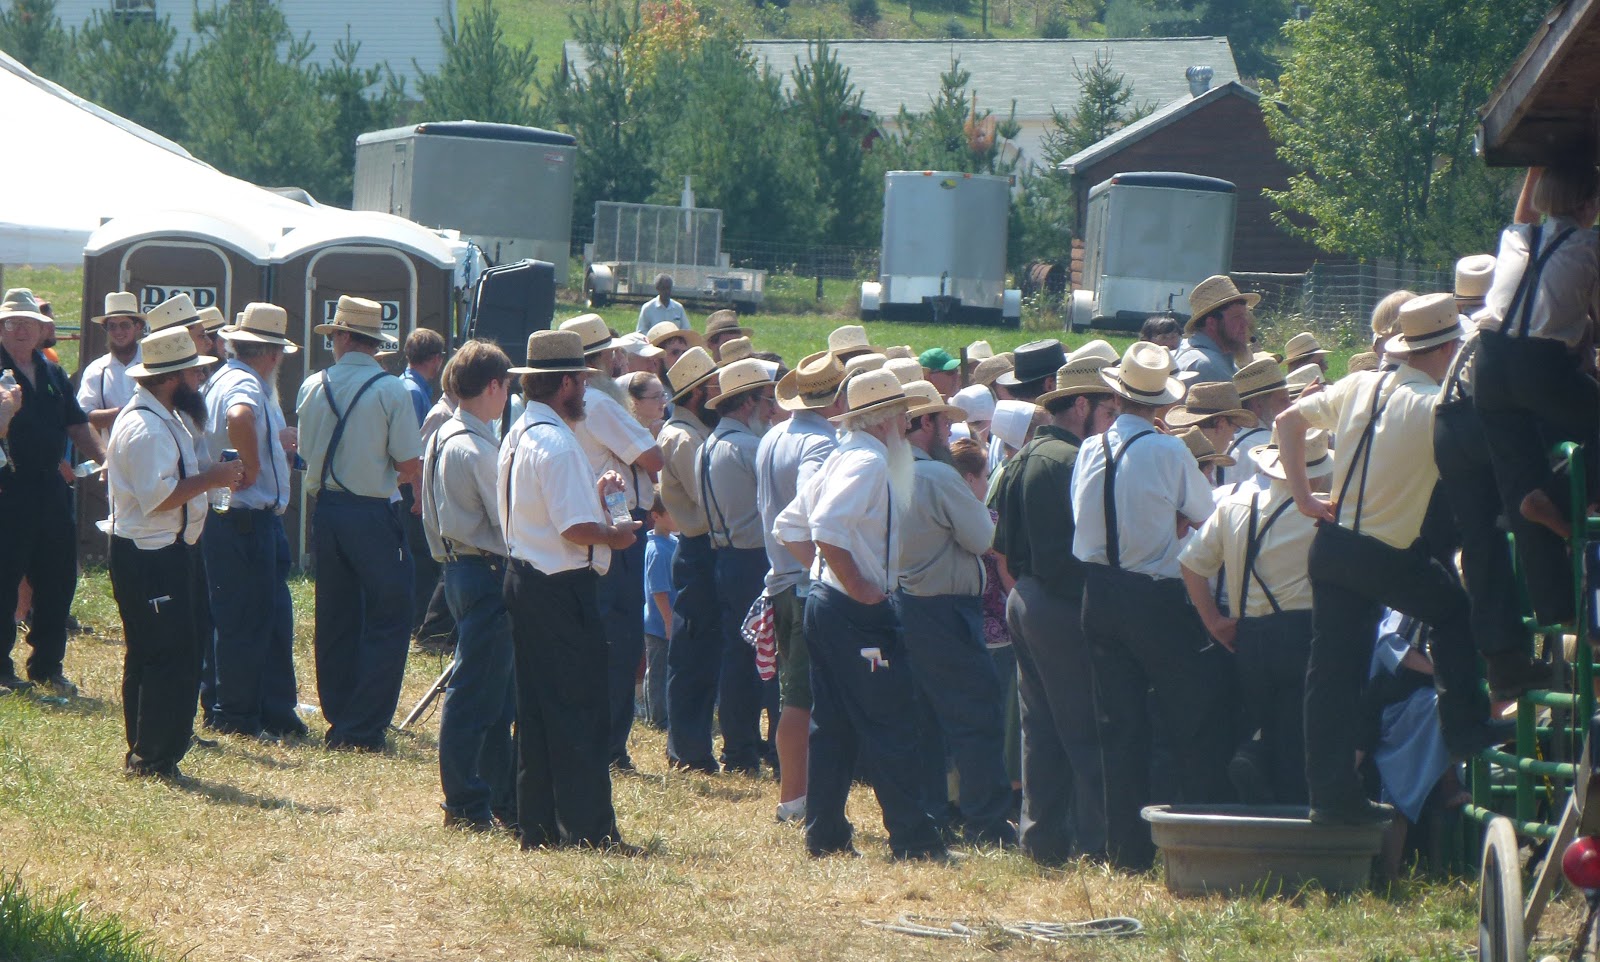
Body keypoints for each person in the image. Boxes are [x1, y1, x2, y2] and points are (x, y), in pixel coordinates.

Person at [1276, 292, 1499, 825]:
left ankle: (1330, 797)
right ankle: (1465, 726)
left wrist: (1305, 496)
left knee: (1329, 675)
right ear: (1448, 350)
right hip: (1384, 555)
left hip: (1330, 548)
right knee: (1453, 612)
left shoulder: (1359, 384)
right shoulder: (1434, 407)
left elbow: (1286, 420)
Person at [1072, 341, 1235, 869]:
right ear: (1161, 404)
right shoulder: (1168, 451)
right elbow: (1207, 516)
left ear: (1118, 396)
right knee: (1190, 718)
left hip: (1098, 593)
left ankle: (1126, 850)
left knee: (1118, 727)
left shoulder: (1090, 448)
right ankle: (1194, 835)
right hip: (1155, 597)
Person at [774, 369, 947, 860]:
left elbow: (789, 526)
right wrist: (860, 587)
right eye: (905, 416)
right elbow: (825, 527)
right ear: (889, 418)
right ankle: (914, 840)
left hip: (828, 606)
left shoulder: (844, 455)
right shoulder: (869, 461)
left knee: (835, 727)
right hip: (852, 611)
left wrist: (828, 575)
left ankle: (825, 834)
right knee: (891, 723)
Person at [498, 329, 640, 851]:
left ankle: (537, 824)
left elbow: (553, 510)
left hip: (528, 580)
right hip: (559, 588)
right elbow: (572, 529)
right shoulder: (556, 443)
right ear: (563, 383)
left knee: (536, 711)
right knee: (579, 710)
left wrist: (597, 499)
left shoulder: (522, 432)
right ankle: (588, 830)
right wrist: (614, 534)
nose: (584, 389)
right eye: (580, 379)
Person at [993, 346, 1119, 863]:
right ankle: (1097, 843)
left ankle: (1042, 841)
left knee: (1040, 729)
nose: (1111, 423)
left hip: (1026, 599)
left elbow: (1001, 546)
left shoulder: (1024, 455)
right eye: (1109, 412)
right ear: (1083, 405)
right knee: (1084, 727)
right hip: (1061, 603)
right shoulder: (1072, 460)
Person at [106, 326, 245, 777]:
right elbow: (158, 497)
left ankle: (157, 748)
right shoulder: (146, 426)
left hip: (170, 552)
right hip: (150, 556)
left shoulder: (167, 417)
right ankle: (150, 754)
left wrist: (211, 473)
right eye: (192, 371)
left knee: (174, 651)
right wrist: (213, 479)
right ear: (170, 378)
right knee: (162, 655)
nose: (200, 379)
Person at [1434, 256, 1567, 696]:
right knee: (1564, 455)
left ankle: (1504, 662)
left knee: (1480, 542)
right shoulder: (1525, 317)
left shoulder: (1467, 331)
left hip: (1448, 424)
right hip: (1487, 417)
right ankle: (1562, 604)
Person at [1180, 428, 1332, 804]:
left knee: (1267, 723)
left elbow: (1191, 565)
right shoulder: (1329, 512)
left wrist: (1214, 621)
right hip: (1304, 633)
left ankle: (1255, 761)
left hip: (1248, 636)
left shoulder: (1236, 506)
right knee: (1300, 737)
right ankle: (1287, 819)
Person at [296, 296, 421, 752]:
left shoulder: (313, 385)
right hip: (372, 511)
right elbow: (408, 461)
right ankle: (364, 725)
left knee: (335, 614)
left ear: (344, 338)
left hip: (326, 510)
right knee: (390, 614)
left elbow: (306, 454)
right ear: (371, 342)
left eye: (333, 336)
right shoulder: (391, 390)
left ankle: (340, 713)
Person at [895, 380, 1015, 846]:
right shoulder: (939, 477)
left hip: (907, 601)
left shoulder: (892, 469)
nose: (948, 431)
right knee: (977, 713)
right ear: (925, 423)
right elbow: (983, 537)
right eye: (942, 421)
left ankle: (933, 810)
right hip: (945, 607)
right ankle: (986, 818)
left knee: (925, 717)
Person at [560, 314, 665, 771]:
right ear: (603, 359)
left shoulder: (549, 407)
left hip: (577, 525)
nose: (621, 358)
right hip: (618, 525)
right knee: (620, 641)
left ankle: (590, 738)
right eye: (614, 352)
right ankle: (611, 748)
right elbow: (652, 457)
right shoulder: (601, 406)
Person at [420, 339, 517, 832]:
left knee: (493, 694)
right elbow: (507, 524)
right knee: (477, 693)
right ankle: (464, 800)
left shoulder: (444, 432)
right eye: (506, 387)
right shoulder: (477, 446)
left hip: (461, 568)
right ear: (494, 386)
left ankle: (497, 797)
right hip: (483, 569)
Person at [1473, 165, 1600, 540]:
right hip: (1541, 369)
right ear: (1588, 204)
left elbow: (1524, 216)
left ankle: (1532, 526)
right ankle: (1553, 498)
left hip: (1489, 366)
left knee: (1517, 475)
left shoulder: (1516, 236)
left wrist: (1536, 167)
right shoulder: (1590, 247)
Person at [201, 303, 307, 740]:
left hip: (238, 521)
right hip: (245, 522)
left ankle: (247, 707)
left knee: (245, 619)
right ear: (273, 353)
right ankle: (237, 715)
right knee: (245, 622)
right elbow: (239, 416)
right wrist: (253, 464)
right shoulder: (246, 383)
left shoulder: (227, 377)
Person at [757, 349, 847, 823]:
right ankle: (795, 799)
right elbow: (812, 512)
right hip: (804, 580)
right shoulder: (820, 444)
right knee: (801, 699)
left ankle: (796, 794)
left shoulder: (775, 435)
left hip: (780, 577)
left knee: (794, 695)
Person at [0, 289, 104, 693]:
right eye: (12, 322)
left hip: (51, 485)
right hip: (8, 485)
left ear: (43, 329)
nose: (22, 329)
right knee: (5, 577)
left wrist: (105, 458)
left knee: (59, 575)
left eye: (29, 322)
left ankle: (46, 665)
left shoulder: (51, 371)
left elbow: (77, 423)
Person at [696, 357, 779, 775]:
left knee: (737, 654)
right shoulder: (751, 447)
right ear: (747, 403)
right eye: (765, 400)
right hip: (752, 559)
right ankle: (752, 748)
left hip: (724, 556)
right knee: (760, 656)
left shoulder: (708, 445)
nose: (770, 408)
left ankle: (739, 746)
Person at [656, 346, 724, 773]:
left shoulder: (689, 434)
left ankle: (688, 744)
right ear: (698, 393)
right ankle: (688, 748)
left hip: (700, 549)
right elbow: (711, 498)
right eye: (714, 389)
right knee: (694, 652)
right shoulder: (683, 439)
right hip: (699, 549)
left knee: (700, 651)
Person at [77, 291, 146, 437]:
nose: (118, 331)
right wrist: (123, 413)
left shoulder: (152, 364)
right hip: (113, 455)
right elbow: (83, 415)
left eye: (125, 325)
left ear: (138, 326)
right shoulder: (96, 370)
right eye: (112, 326)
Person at [1162, 381, 1255, 486]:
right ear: (1221, 424)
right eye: (1235, 428)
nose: (1232, 438)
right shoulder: (1196, 474)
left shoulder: (1168, 456)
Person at [1176, 275, 1258, 384]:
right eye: (1237, 317)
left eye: (1245, 316)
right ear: (1211, 323)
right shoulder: (1209, 366)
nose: (1245, 323)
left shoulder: (1186, 348)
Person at [641, 492, 677, 731]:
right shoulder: (656, 549)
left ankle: (661, 712)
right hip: (658, 623)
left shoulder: (672, 542)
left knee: (662, 668)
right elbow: (659, 590)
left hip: (667, 621)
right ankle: (657, 717)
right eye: (672, 513)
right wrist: (668, 621)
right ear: (656, 516)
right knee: (657, 672)